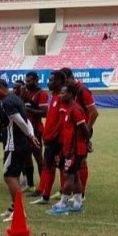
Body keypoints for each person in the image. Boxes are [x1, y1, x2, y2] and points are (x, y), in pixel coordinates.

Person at [0, 79, 40, 221]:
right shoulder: (16, 99)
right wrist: (31, 135)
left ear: (0, 88)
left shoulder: (7, 102)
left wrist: (30, 135)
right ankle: (15, 207)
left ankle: (19, 211)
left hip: (14, 144)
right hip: (20, 143)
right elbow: (27, 120)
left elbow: (19, 121)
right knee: (14, 176)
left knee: (9, 176)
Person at [47, 84, 90, 215]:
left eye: (63, 93)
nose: (60, 96)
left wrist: (86, 142)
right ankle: (77, 203)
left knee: (68, 176)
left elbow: (85, 129)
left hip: (75, 150)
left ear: (71, 94)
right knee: (75, 175)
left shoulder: (75, 110)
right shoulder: (69, 109)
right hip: (71, 149)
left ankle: (63, 203)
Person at [33, 70, 66, 205]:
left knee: (62, 168)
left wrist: (54, 137)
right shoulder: (53, 97)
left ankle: (65, 197)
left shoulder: (62, 99)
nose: (48, 82)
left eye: (51, 80)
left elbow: (62, 122)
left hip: (56, 141)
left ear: (59, 82)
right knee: (49, 167)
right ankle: (45, 196)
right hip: (49, 139)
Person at [21, 71, 48, 191]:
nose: (27, 83)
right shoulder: (26, 92)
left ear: (36, 80)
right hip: (25, 129)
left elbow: (44, 112)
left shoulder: (41, 93)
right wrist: (22, 94)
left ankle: (43, 186)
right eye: (26, 80)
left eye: (30, 80)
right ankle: (30, 185)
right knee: (26, 157)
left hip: (36, 130)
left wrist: (29, 109)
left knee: (38, 158)